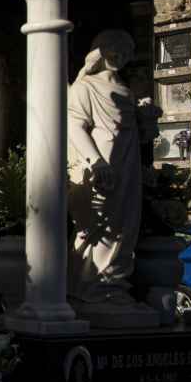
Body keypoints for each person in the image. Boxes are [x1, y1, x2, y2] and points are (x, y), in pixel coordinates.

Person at [66, 29, 141, 307]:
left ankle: (114, 285)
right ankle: (90, 287)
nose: (120, 56)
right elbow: (74, 126)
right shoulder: (86, 87)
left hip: (127, 166)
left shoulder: (125, 88)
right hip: (101, 167)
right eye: (114, 50)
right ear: (100, 51)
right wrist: (95, 161)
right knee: (98, 226)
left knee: (126, 225)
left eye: (126, 51)